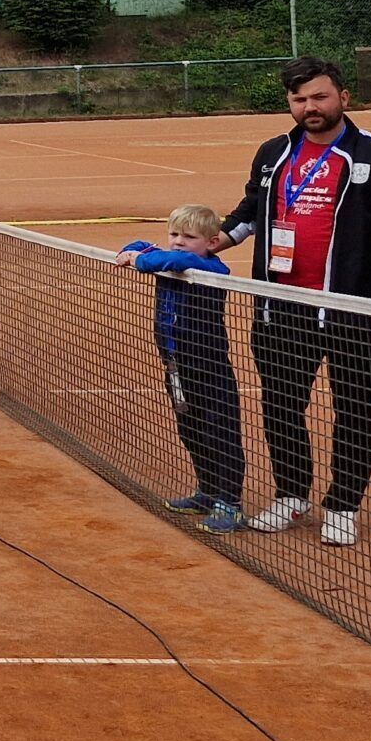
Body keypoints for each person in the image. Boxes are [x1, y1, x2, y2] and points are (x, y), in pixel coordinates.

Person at [222, 56, 371, 547]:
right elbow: (250, 213)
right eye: (299, 99)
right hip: (281, 307)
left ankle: (343, 505)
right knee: (281, 406)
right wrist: (208, 244)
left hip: (356, 311)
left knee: (355, 410)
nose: (309, 107)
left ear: (343, 98)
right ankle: (292, 494)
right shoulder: (273, 154)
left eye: (319, 97)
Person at [114, 205, 244, 535]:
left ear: (213, 242)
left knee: (220, 433)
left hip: (208, 368)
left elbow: (164, 259)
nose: (178, 242)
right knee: (191, 430)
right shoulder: (174, 260)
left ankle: (230, 501)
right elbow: (142, 244)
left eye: (189, 237)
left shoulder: (207, 266)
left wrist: (139, 259)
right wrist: (133, 251)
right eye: (174, 234)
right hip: (175, 367)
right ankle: (208, 491)